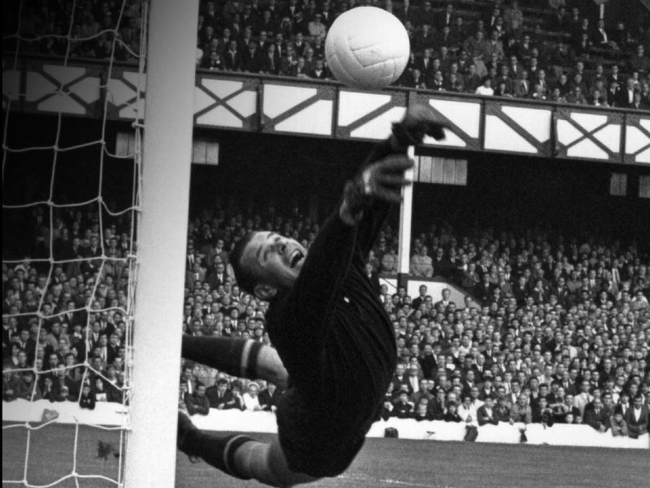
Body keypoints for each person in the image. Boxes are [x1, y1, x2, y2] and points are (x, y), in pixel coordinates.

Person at [176, 106, 448, 486]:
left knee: (280, 369)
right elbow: (326, 263)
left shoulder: (342, 264)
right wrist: (348, 210)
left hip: (324, 389)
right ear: (266, 289)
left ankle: (175, 343)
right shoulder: (288, 318)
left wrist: (401, 138)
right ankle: (190, 439)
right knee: (267, 466)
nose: (282, 244)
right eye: (267, 253)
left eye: (279, 237)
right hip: (318, 437)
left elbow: (366, 204)